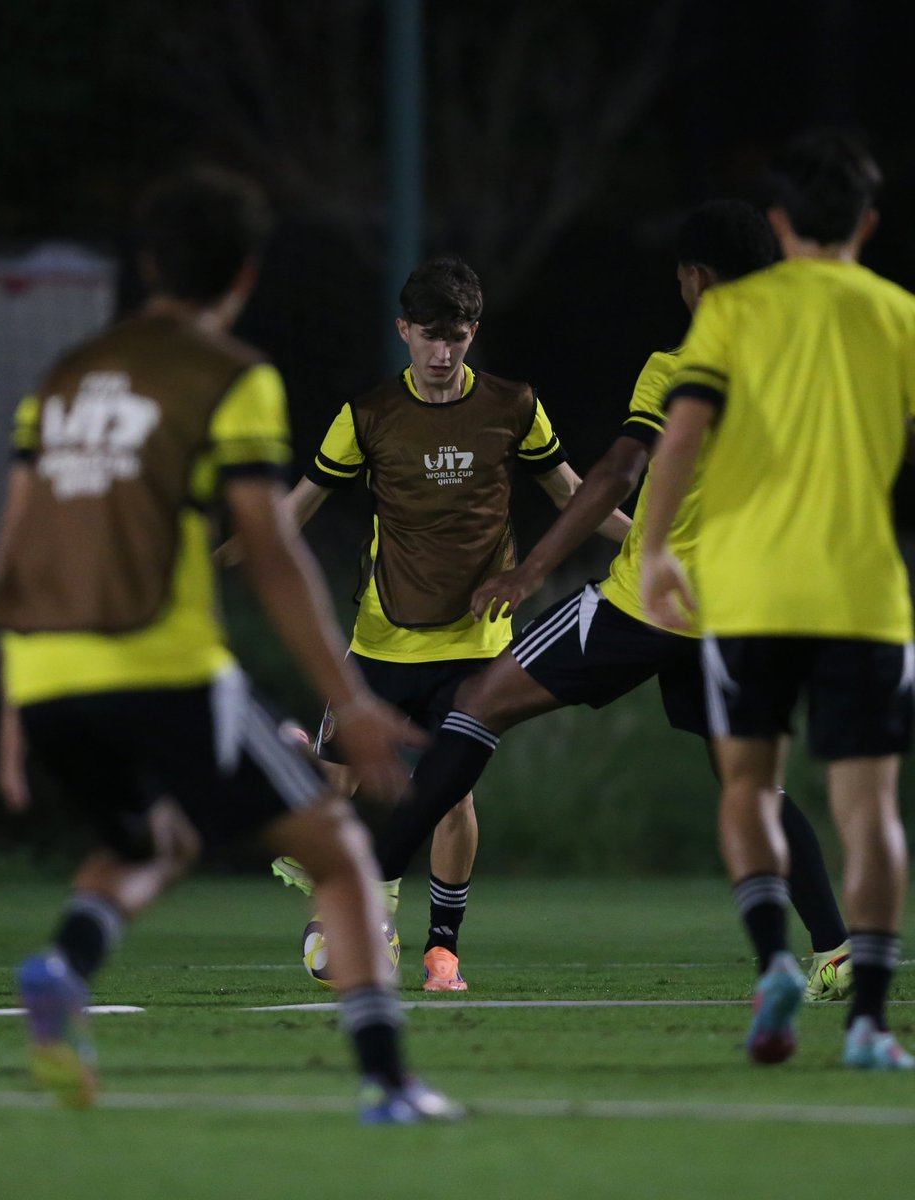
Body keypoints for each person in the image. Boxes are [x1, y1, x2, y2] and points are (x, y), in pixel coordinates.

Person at [0, 165, 462, 1123]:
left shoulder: (62, 379)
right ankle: (389, 1084)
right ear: (244, 275)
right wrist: (352, 697)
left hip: (47, 674)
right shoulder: (230, 375)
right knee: (337, 853)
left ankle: (63, 964)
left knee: (154, 837)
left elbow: (15, 553)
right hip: (161, 668)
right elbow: (277, 553)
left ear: (149, 262)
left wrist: (13, 713)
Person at [368, 199, 852, 1004]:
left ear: (694, 278)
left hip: (647, 603)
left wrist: (535, 570)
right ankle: (837, 950)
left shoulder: (682, 364)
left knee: (475, 705)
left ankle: (368, 890)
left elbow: (616, 473)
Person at [267, 255, 630, 991]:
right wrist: (235, 543)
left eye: (456, 336)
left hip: (475, 640)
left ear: (474, 333)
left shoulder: (514, 405)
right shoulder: (367, 415)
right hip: (381, 638)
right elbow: (298, 504)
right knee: (331, 790)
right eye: (428, 335)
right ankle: (346, 892)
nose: (441, 352)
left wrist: (655, 546)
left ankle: (438, 949)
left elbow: (571, 494)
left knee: (451, 792)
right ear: (403, 331)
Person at [640, 131, 915, 1069]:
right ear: (867, 224)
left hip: (751, 593)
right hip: (866, 596)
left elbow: (681, 432)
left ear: (783, 222)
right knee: (869, 811)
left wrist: (651, 552)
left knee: (749, 784)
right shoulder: (899, 315)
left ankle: (772, 963)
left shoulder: (736, 313)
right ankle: (872, 1020)